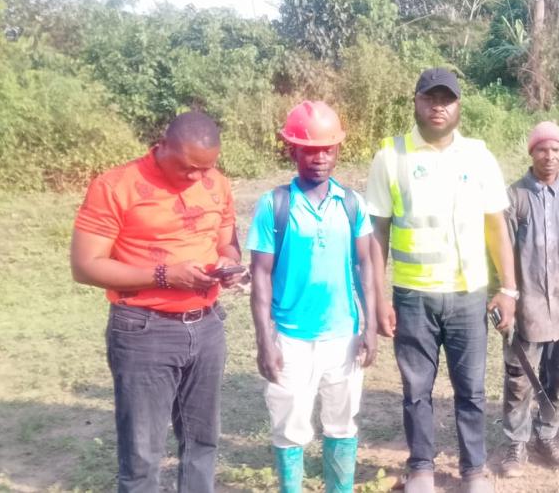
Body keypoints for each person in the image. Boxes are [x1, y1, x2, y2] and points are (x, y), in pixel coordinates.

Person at [364, 67, 517, 493]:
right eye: (429, 98)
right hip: (413, 296)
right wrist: (378, 298)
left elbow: (496, 228)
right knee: (416, 389)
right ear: (415, 102)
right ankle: (421, 469)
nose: (438, 107)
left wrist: (508, 289)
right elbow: (377, 233)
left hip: (468, 296)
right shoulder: (390, 157)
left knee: (471, 390)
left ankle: (474, 471)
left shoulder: (479, 157)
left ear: (458, 106)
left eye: (446, 99)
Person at [70, 112, 240, 492]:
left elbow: (227, 242)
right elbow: (85, 266)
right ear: (161, 146)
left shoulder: (216, 183)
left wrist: (227, 263)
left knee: (203, 442)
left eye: (206, 168)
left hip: (207, 326)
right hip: (144, 330)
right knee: (142, 455)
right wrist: (164, 275)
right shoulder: (116, 186)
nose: (196, 177)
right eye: (187, 167)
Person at [247, 101, 377, 493]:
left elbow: (366, 266)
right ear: (293, 151)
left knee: (342, 423)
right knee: (289, 426)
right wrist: (265, 340)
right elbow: (260, 275)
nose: (319, 158)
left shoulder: (352, 204)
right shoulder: (274, 205)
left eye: (327, 149)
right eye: (309, 150)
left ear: (338, 151)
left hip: (343, 335)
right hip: (290, 337)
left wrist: (370, 327)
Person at [498, 121, 559, 477]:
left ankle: (547, 436)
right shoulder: (514, 198)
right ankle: (516, 443)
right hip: (526, 309)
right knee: (519, 379)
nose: (549, 156)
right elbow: (500, 255)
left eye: (556, 150)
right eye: (542, 149)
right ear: (531, 152)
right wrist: (505, 303)